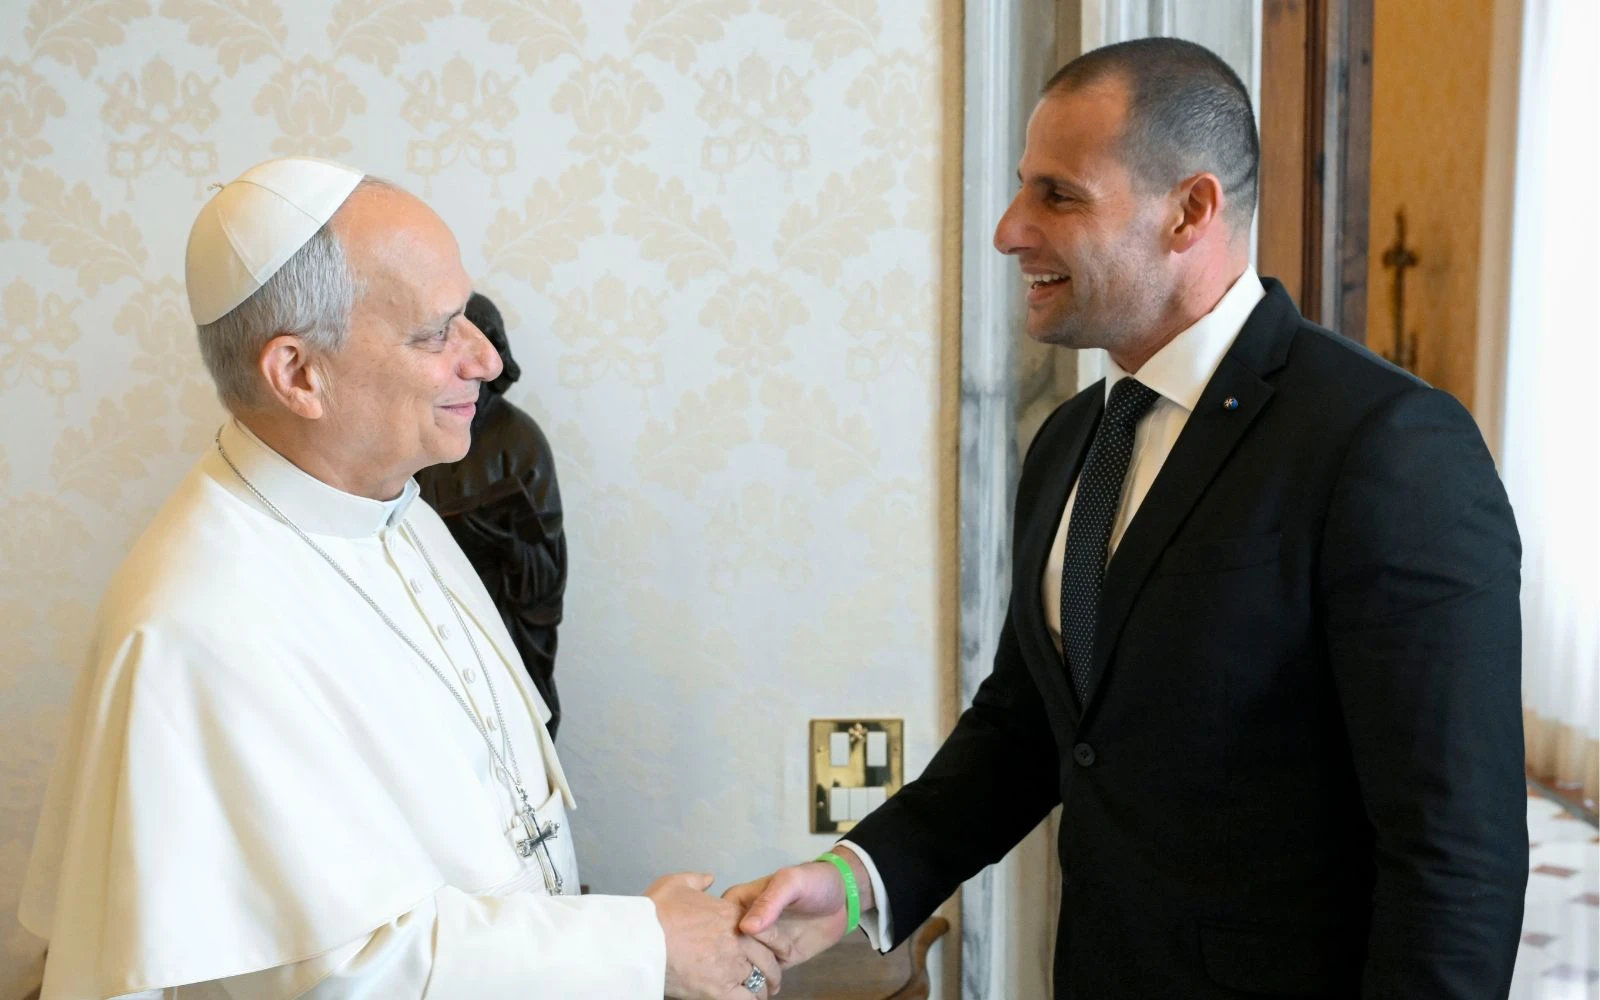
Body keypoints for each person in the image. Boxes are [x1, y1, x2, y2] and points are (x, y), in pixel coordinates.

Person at [728, 38, 1528, 999]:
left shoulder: (1387, 444)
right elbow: (1032, 726)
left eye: (1060, 196)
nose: (1010, 231)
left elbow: (1455, 854)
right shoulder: (1071, 438)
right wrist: (858, 879)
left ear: (1190, 210)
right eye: (1021, 188)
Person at [19, 157, 778, 1000]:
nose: (484, 358)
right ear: (299, 374)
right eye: (436, 332)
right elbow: (346, 974)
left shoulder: (391, 503)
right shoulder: (198, 628)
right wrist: (641, 947)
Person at [415, 292, 566, 740]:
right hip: (432, 614)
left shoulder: (519, 441)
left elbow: (546, 566)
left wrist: (505, 541)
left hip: (501, 616)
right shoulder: (421, 430)